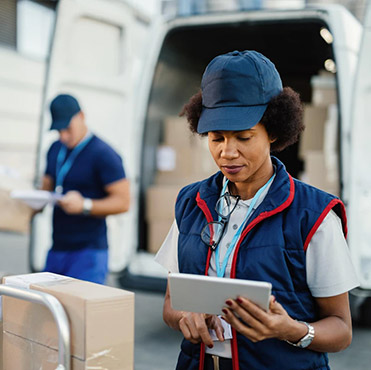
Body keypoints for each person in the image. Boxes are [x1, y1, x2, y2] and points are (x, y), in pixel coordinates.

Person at [155, 50, 359, 370]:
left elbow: (341, 330)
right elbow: (170, 304)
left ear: (273, 131)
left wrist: (292, 330)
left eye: (244, 137)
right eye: (216, 138)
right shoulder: (191, 203)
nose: (227, 152)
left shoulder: (313, 216)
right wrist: (185, 315)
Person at [41, 94, 130, 284]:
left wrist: (85, 205)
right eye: (59, 130)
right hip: (57, 247)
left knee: (82, 312)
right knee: (46, 309)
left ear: (81, 116)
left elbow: (123, 202)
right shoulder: (54, 149)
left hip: (89, 252)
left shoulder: (104, 154)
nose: (63, 136)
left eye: (67, 128)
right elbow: (46, 187)